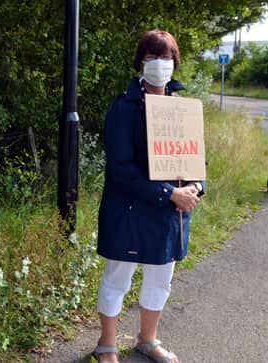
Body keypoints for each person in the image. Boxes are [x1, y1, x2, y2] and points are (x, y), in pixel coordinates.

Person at [92, 30, 204, 363]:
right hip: (130, 209)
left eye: (166, 58)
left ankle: (147, 339)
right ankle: (106, 345)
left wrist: (196, 186)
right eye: (152, 58)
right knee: (118, 278)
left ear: (175, 62)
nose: (160, 65)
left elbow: (196, 158)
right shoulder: (124, 109)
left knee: (160, 279)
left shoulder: (181, 108)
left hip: (171, 212)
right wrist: (170, 194)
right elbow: (121, 170)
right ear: (141, 63)